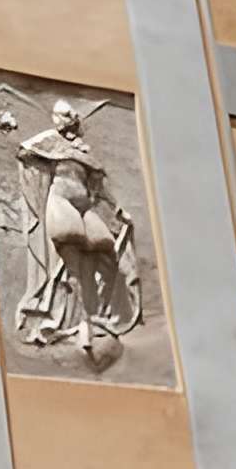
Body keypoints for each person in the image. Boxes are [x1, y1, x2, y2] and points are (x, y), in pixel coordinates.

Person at [16, 98, 141, 362]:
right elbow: (25, 152)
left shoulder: (84, 151)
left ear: (72, 119)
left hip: (85, 208)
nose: (59, 119)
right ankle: (76, 322)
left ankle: (103, 315)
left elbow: (100, 186)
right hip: (61, 203)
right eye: (57, 115)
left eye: (64, 115)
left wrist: (117, 208)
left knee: (108, 253)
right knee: (72, 263)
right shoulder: (49, 141)